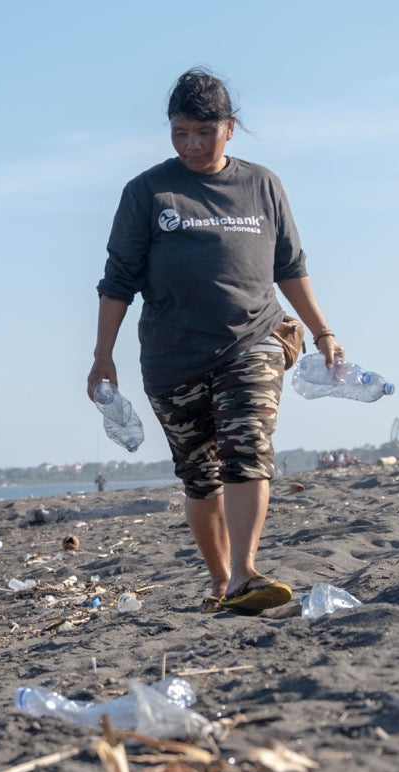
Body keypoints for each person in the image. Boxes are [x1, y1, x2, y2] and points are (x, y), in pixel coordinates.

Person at [87, 68, 344, 616]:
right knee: (199, 475)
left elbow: (290, 268)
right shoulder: (148, 192)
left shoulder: (263, 184)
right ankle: (224, 580)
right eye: (180, 132)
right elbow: (118, 280)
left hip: (252, 339)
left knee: (246, 444)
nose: (192, 144)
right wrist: (102, 355)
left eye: (204, 131)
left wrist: (322, 330)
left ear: (230, 127)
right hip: (172, 356)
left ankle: (247, 571)